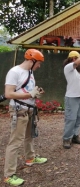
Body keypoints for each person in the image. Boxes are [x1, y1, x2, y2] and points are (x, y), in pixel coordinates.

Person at [3, 49, 47, 186]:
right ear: (32, 60)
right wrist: (29, 95)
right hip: (18, 109)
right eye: (38, 63)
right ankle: (9, 175)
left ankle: (30, 158)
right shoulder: (14, 72)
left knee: (29, 136)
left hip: (29, 109)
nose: (39, 66)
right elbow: (9, 93)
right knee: (15, 141)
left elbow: (27, 90)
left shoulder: (30, 72)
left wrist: (36, 92)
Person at [62, 48, 80, 149]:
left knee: (79, 118)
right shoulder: (68, 67)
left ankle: (75, 136)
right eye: (77, 58)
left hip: (79, 96)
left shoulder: (77, 69)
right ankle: (67, 138)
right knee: (71, 119)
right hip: (71, 97)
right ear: (73, 58)